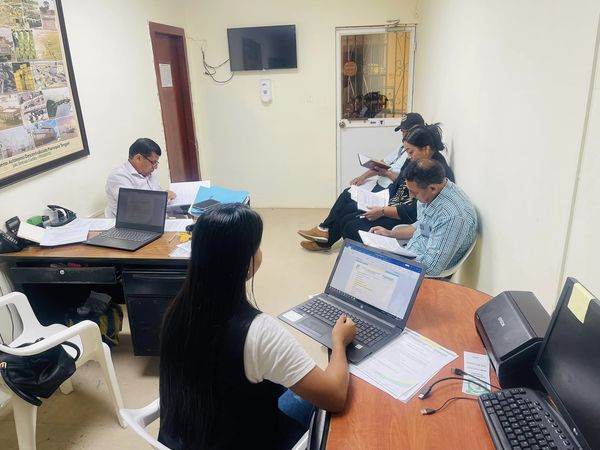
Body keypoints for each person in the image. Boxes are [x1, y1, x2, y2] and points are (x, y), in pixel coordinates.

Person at [159, 204, 356, 450]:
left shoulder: (175, 312)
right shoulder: (259, 332)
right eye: (256, 247)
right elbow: (335, 397)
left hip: (186, 438)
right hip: (247, 440)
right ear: (245, 262)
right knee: (336, 401)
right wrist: (339, 341)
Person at [299, 123, 454, 251]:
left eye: (411, 152)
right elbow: (400, 182)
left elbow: (416, 210)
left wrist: (383, 210)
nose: (408, 156)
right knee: (348, 208)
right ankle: (325, 237)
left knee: (350, 225)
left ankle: (331, 241)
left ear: (426, 149)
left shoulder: (437, 172)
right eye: (407, 152)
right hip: (392, 202)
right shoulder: (415, 160)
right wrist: (382, 200)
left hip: (404, 214)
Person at [370, 158, 477, 276]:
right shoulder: (432, 193)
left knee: (371, 269)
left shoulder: (451, 217)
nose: (411, 197)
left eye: (414, 192)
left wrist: (394, 260)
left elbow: (431, 267)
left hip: (423, 272)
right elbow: (423, 227)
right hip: (411, 252)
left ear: (432, 188)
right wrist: (390, 234)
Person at [104, 138, 176, 218]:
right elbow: (135, 206)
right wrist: (163, 197)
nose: (155, 167)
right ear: (138, 158)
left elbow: (158, 196)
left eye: (156, 163)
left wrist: (168, 197)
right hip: (134, 223)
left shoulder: (149, 174)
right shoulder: (118, 176)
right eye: (153, 162)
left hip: (156, 219)